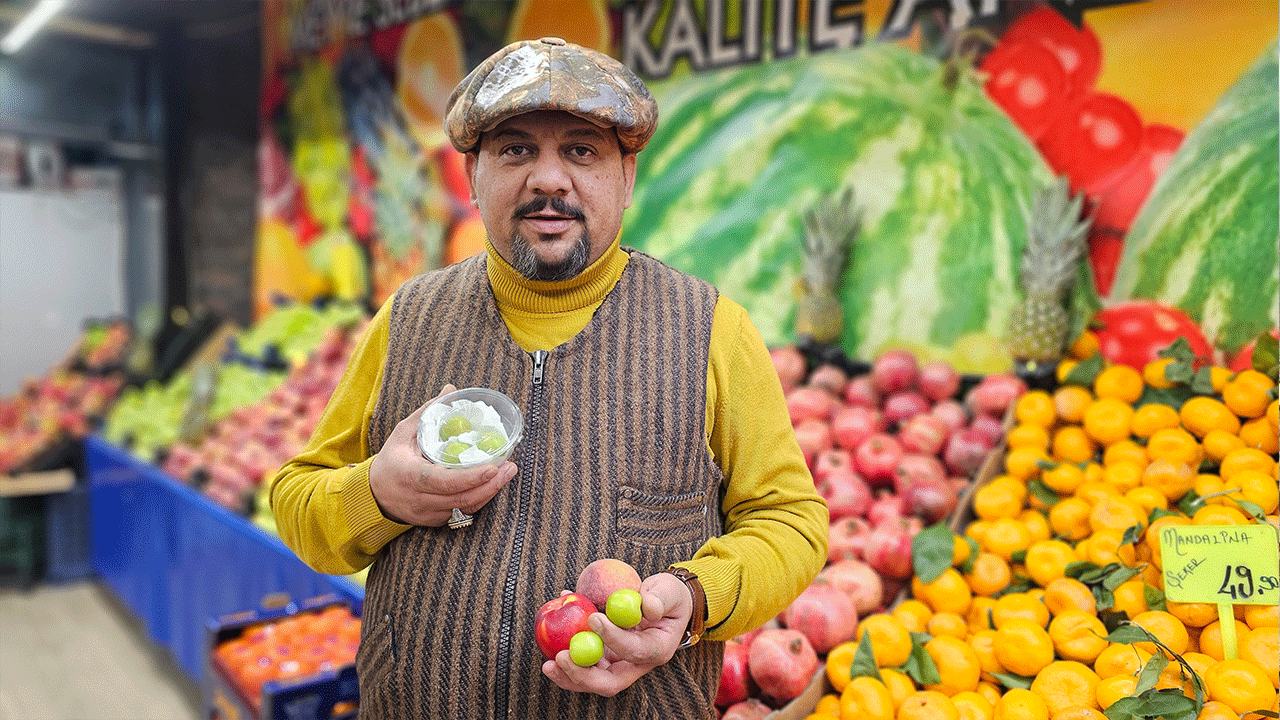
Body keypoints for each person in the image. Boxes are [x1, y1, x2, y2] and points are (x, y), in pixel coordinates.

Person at [270, 36, 827, 719]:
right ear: (473, 176)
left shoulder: (710, 328)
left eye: (581, 150)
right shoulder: (408, 319)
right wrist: (376, 494)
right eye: (515, 150)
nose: (549, 179)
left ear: (626, 177)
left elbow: (791, 520)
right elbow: (297, 501)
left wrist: (696, 597)